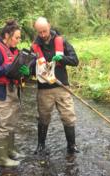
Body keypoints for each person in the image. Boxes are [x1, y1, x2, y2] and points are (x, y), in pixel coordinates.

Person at [0, 20, 30, 167]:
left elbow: (16, 71)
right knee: (4, 124)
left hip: (13, 90)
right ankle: (2, 159)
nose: (18, 40)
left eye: (19, 37)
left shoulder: (14, 50)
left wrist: (25, 71)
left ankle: (10, 150)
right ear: (7, 35)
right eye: (16, 37)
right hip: (0, 92)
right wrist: (13, 66)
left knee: (12, 122)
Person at [32, 17, 80, 155]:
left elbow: (75, 61)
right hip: (44, 89)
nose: (42, 35)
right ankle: (41, 145)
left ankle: (72, 146)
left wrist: (63, 58)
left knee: (68, 116)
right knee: (43, 117)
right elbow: (31, 68)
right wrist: (27, 71)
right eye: (39, 32)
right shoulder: (34, 46)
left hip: (62, 87)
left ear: (49, 26)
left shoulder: (62, 41)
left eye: (44, 31)